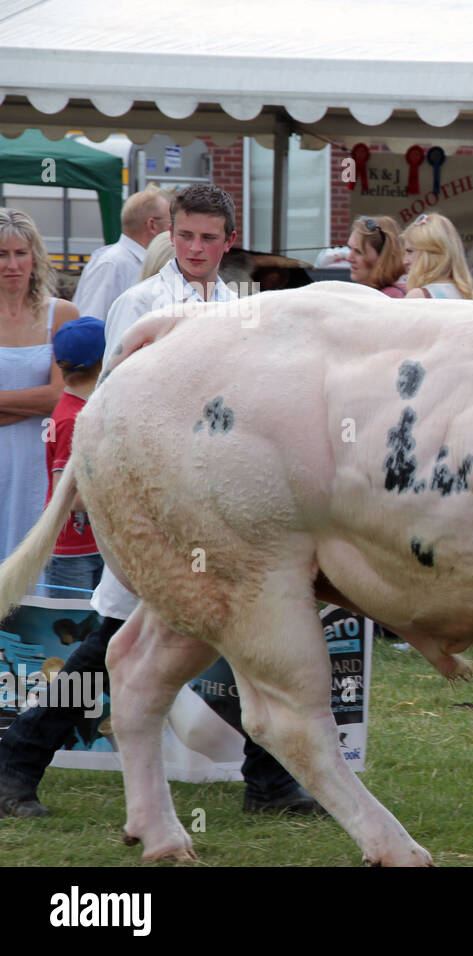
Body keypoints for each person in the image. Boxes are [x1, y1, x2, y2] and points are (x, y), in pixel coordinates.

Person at [0, 185, 323, 819]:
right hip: (155, 497)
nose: (195, 249)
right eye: (184, 236)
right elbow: (115, 400)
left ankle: (269, 777)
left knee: (234, 628)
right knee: (117, 633)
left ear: (228, 242)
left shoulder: (240, 309)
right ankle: (17, 760)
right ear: (166, 235)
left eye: (208, 238)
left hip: (222, 499)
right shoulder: (139, 302)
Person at [0, 208, 78, 563]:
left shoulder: (61, 314)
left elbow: (61, 395)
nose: (12, 264)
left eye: (20, 253)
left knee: (35, 566)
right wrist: (34, 402)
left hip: (43, 458)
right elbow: (46, 396)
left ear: (35, 257)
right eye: (2, 254)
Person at [40, 316, 107, 594]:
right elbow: (65, 494)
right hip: (71, 552)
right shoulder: (72, 420)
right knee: (72, 631)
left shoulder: (81, 410)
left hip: (93, 544)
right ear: (104, 363)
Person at [73, 187, 171, 320]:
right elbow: (90, 323)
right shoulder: (112, 263)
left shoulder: (125, 261)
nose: (173, 230)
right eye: (171, 223)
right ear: (152, 225)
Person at [401, 213, 473, 300]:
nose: (405, 261)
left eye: (410, 251)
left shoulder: (419, 295)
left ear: (430, 254)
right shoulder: (465, 293)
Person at [346, 215, 405, 297]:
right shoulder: (371, 293)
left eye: (359, 252)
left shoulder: (391, 297)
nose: (349, 258)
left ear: (383, 256)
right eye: (349, 249)